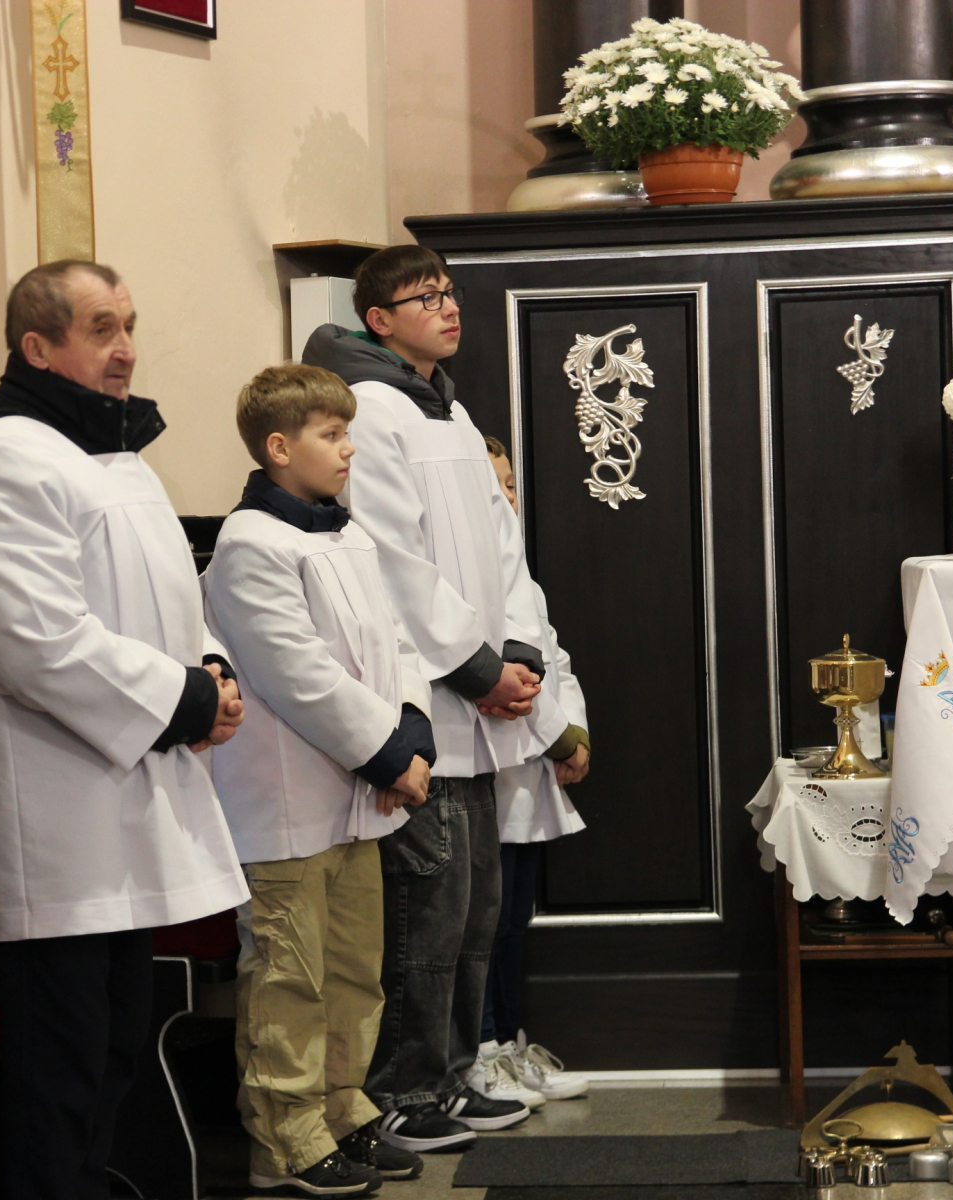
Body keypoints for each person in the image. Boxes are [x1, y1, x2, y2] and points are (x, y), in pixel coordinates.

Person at [0, 260, 249, 1200]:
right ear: (38, 346)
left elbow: (167, 603)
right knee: (56, 1077)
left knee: (111, 1054)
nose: (127, 348)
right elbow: (35, 642)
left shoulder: (111, 457)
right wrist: (184, 700)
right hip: (48, 831)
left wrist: (210, 670)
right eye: (102, 329)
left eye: (130, 325)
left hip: (115, 820)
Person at [302, 244, 576, 1152]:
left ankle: (453, 1077)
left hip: (484, 703)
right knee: (427, 917)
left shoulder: (450, 411)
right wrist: (478, 670)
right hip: (433, 706)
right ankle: (404, 1091)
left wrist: (520, 651)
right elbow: (396, 562)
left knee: (474, 917)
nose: (449, 308)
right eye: (426, 298)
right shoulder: (371, 410)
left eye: (450, 292)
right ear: (378, 319)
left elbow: (505, 548)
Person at [204, 363, 439, 1196]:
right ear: (279, 447)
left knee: (352, 970)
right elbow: (296, 674)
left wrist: (414, 731)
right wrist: (390, 756)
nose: (348, 450)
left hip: (358, 796)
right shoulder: (250, 544)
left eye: (347, 433)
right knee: (290, 976)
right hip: (287, 804)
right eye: (331, 435)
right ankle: (285, 1137)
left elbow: (397, 643)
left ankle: (342, 1107)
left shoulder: (347, 534)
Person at [469, 437, 595, 1108]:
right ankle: (482, 1049)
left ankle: (511, 1041)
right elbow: (509, 676)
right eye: (494, 487)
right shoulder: (471, 579)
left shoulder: (524, 582)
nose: (507, 498)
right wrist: (557, 738)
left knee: (515, 918)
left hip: (530, 767)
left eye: (512, 484)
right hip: (493, 761)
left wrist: (577, 734)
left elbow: (556, 663)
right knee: (483, 924)